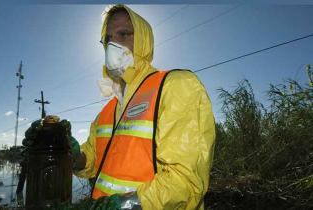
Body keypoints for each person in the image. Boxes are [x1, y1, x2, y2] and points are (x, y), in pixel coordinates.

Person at [25, 4, 215, 210]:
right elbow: (92, 163)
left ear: (143, 41)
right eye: (107, 39)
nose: (113, 44)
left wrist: (123, 205)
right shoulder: (107, 111)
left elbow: (186, 183)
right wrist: (66, 151)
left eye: (124, 34)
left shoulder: (175, 85)